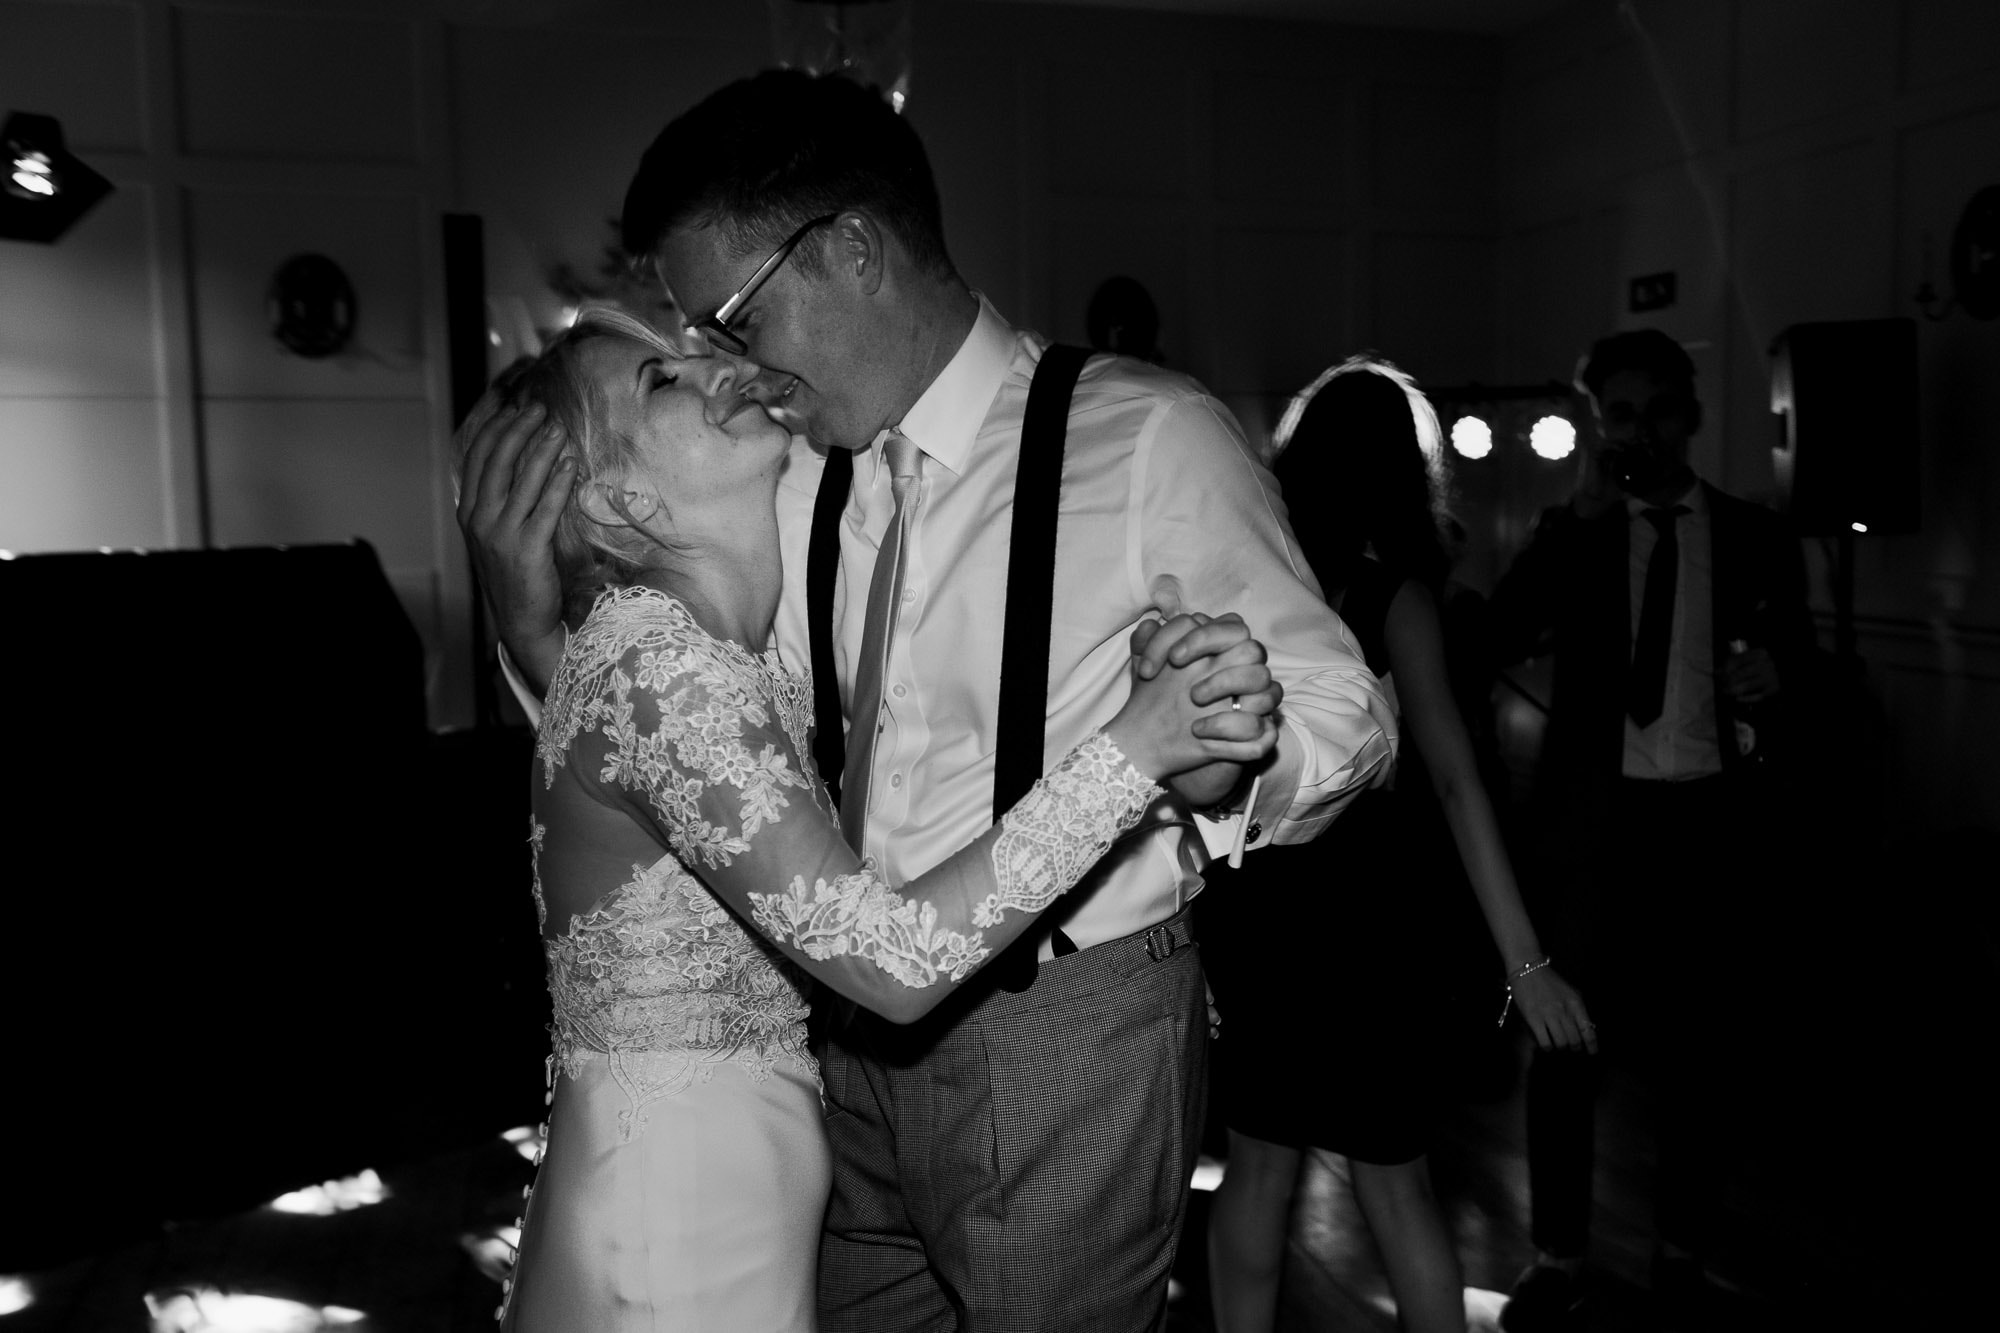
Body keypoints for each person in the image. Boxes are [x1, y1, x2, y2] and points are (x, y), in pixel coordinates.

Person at [461, 70, 1396, 1331]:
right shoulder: (772, 479)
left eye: (735, 320)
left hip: (1062, 1038)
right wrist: (536, 626)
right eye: (699, 348)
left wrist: (1229, 765)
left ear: (850, 249)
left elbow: (1347, 706)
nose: (733, 371)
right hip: (829, 1042)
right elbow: (689, 755)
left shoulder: (1146, 436)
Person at [1200, 358, 1594, 1333]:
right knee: (1395, 1189)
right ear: (1399, 473)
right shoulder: (1392, 600)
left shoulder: (1245, 588)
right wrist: (1527, 961)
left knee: (1255, 1172)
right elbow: (1456, 783)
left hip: (1257, 902)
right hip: (1367, 921)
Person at [1488, 329, 1815, 1329]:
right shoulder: (1578, 533)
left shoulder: (1754, 534)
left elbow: (1803, 674)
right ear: (1599, 426)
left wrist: (1777, 679)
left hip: (1707, 825)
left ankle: (1678, 1252)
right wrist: (1570, 521)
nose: (1640, 430)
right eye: (1617, 414)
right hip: (1593, 833)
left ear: (1691, 413)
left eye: (1656, 408)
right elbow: (1498, 637)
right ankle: (1554, 1256)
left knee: (1701, 1057)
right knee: (1563, 1051)